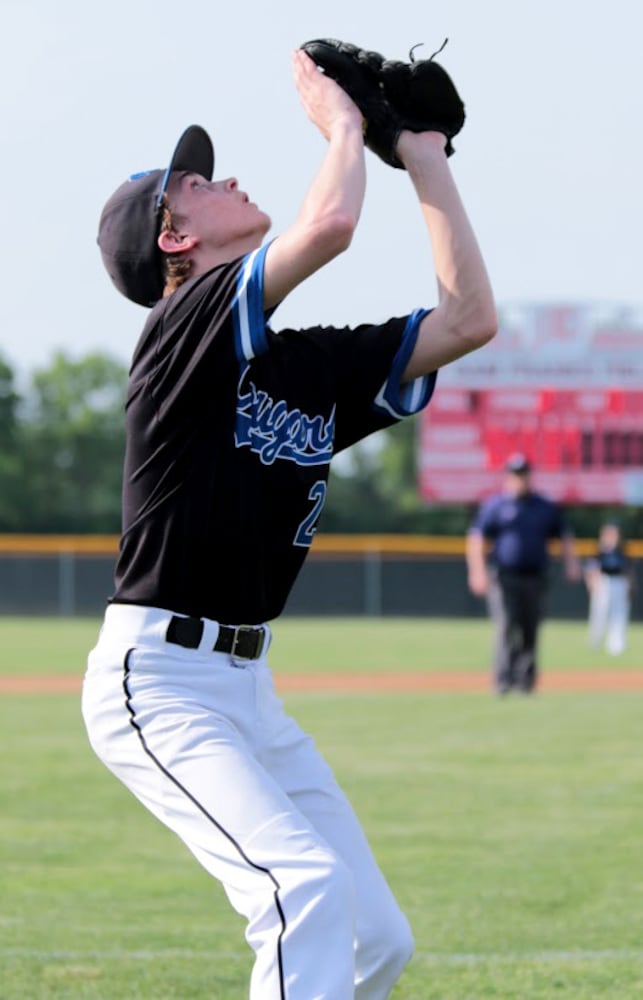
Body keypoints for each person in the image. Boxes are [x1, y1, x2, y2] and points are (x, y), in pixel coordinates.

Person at [81, 48, 497, 1000]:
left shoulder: (301, 368)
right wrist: (342, 122)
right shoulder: (181, 328)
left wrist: (424, 155)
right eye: (195, 182)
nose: (222, 177)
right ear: (175, 242)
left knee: (373, 938)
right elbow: (334, 222)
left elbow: (468, 319)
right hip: (161, 684)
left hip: (247, 691)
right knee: (300, 888)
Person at [466, 453, 580, 694]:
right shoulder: (495, 505)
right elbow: (476, 538)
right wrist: (477, 571)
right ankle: (502, 680)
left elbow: (564, 535)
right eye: (515, 474)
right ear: (508, 477)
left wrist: (572, 563)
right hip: (504, 577)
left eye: (524, 474)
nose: (520, 479)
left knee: (530, 628)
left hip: (535, 576)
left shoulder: (544, 506)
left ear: (530, 476)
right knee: (505, 625)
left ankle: (525, 682)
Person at [584, 520, 634, 655]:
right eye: (609, 534)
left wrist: (630, 585)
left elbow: (628, 570)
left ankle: (616, 645)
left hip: (619, 582)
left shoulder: (622, 550)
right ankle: (594, 642)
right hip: (603, 581)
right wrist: (592, 583)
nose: (613, 536)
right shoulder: (599, 550)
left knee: (619, 614)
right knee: (599, 612)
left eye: (615, 534)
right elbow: (591, 569)